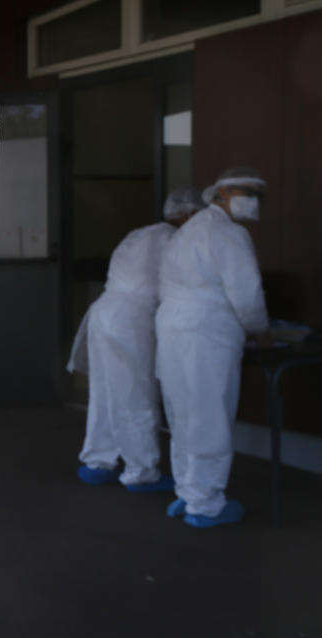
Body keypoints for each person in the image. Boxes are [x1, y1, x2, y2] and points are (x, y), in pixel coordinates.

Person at [67, 187, 204, 491]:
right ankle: (141, 471)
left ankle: (98, 461)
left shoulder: (141, 234)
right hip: (131, 322)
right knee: (135, 395)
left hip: (104, 312)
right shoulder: (177, 240)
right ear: (190, 214)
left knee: (105, 392)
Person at [156, 167, 270, 528]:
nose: (251, 201)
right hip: (208, 333)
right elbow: (247, 294)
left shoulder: (187, 231)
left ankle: (188, 492)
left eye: (256, 195)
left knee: (184, 414)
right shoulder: (229, 234)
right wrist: (261, 330)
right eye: (244, 192)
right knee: (209, 416)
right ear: (219, 194)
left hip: (173, 330)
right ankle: (205, 505)